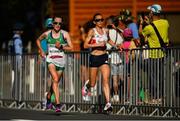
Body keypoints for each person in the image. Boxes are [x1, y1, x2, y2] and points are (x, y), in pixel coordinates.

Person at [36, 16, 73, 112]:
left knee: (55, 82)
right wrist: (41, 51)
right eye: (56, 23)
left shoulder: (65, 34)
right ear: (52, 24)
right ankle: (57, 104)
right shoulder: (47, 34)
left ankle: (48, 96)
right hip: (50, 60)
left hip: (61, 62)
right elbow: (38, 40)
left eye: (60, 24)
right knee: (55, 79)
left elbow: (71, 47)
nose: (57, 25)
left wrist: (61, 46)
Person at [82, 13, 116, 112]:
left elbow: (109, 40)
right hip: (94, 57)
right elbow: (85, 45)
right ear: (94, 22)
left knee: (106, 80)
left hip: (104, 57)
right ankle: (86, 86)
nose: (100, 22)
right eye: (98, 20)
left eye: (102, 19)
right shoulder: (92, 31)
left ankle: (108, 103)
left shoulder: (106, 30)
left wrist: (117, 46)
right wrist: (97, 44)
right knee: (93, 83)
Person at [139, 4, 169, 104]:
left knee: (153, 77)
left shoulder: (149, 28)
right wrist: (149, 23)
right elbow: (157, 28)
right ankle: (161, 97)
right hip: (163, 54)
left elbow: (141, 35)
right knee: (161, 76)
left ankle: (156, 98)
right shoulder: (166, 23)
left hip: (153, 54)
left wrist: (142, 23)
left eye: (150, 12)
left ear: (152, 13)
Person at [106, 15, 124, 103]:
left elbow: (107, 46)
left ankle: (116, 95)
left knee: (114, 79)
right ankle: (124, 95)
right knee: (122, 77)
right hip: (121, 58)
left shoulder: (108, 32)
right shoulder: (121, 32)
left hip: (112, 58)